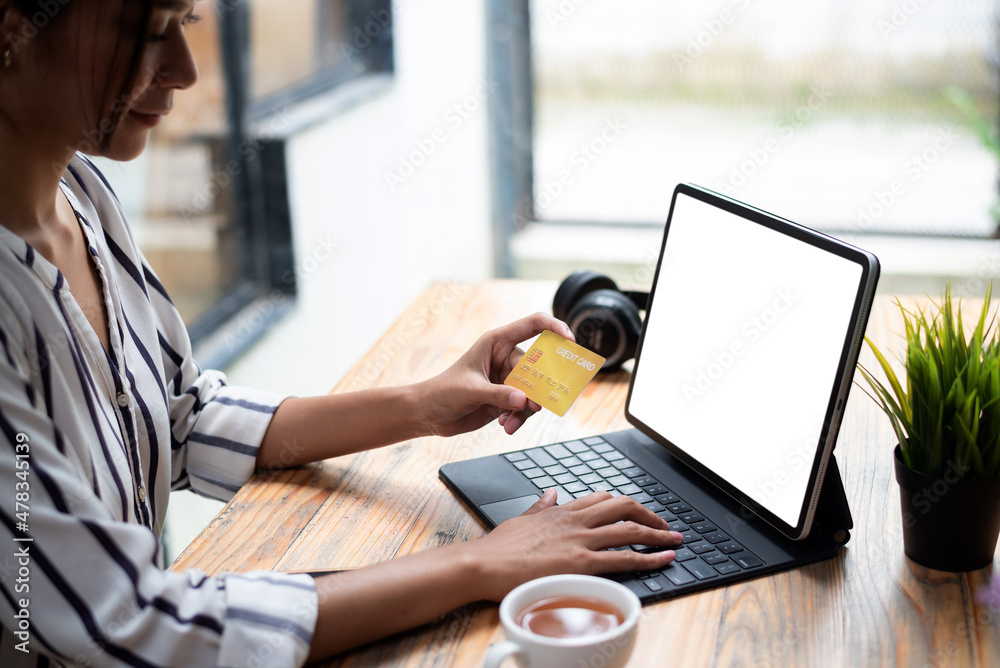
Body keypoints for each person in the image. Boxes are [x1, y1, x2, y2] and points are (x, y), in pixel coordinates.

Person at [0, 0, 682, 665]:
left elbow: (182, 419)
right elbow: (125, 624)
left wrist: (423, 403)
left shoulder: (81, 194)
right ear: (11, 25)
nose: (184, 70)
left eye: (186, 23)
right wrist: (480, 563)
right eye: (148, 30)